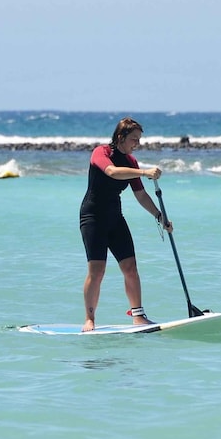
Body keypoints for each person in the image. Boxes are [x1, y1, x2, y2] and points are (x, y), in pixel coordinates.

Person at [80, 117, 171, 331]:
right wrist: (143, 172)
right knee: (97, 271)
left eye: (139, 140)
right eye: (134, 139)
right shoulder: (101, 153)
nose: (137, 144)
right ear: (121, 137)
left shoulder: (131, 162)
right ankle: (89, 319)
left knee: (130, 267)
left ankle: (138, 316)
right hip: (93, 218)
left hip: (115, 218)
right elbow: (111, 172)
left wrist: (160, 216)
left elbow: (140, 195)